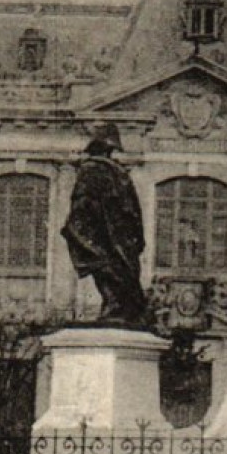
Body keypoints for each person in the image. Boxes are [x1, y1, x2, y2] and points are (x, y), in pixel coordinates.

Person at [61, 123, 147, 327]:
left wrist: (74, 226)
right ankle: (117, 306)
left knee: (102, 266)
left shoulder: (91, 170)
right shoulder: (121, 173)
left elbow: (81, 203)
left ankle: (113, 305)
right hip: (121, 237)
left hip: (101, 235)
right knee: (119, 271)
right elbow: (134, 210)